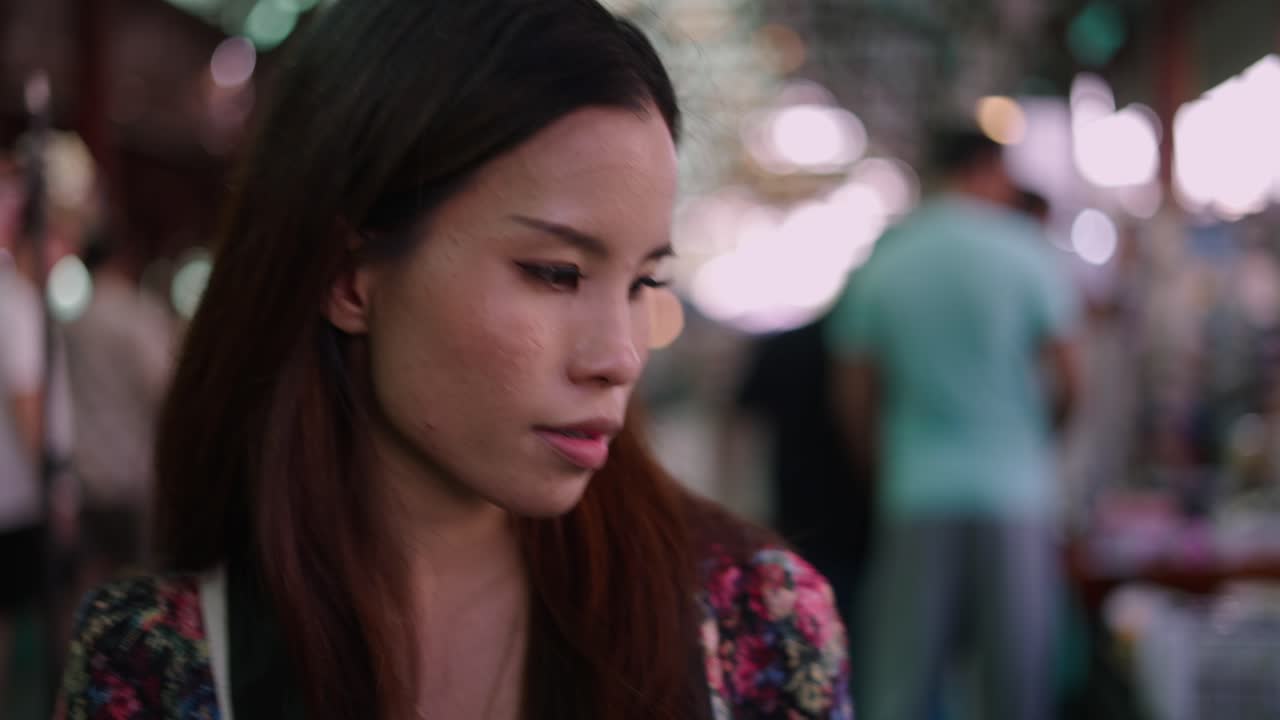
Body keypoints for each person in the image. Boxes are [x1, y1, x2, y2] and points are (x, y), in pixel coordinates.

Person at [55, 2, 852, 719]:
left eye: (644, 282)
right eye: (556, 273)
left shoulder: (758, 630)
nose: (620, 356)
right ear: (349, 278)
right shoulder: (156, 663)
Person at [827, 128, 1081, 720]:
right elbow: (1072, 377)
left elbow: (854, 392)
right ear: (989, 168)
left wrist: (880, 463)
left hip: (916, 489)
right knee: (1016, 682)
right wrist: (1038, 442)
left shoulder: (887, 259)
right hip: (1015, 492)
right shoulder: (1025, 251)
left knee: (902, 681)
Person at [64, 228, 174, 580]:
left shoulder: (73, 321)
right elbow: (164, 389)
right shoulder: (137, 315)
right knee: (140, 577)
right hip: (133, 470)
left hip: (86, 469)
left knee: (92, 575)